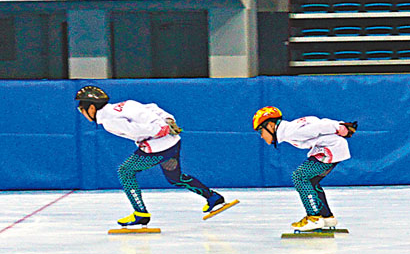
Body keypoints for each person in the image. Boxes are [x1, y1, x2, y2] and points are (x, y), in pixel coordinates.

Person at [75, 86, 235, 227]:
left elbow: (135, 130)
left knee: (125, 172)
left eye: (81, 110)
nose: (82, 114)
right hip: (172, 143)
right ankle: (213, 197)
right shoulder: (125, 104)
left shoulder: (109, 121)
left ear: (91, 108)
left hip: (158, 148)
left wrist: (159, 130)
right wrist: (168, 120)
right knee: (175, 178)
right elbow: (152, 107)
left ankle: (140, 214)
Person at [253, 106, 356, 231]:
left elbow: (318, 127)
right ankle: (326, 217)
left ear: (270, 126)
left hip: (330, 149)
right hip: (331, 149)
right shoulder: (291, 127)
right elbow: (315, 121)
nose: (261, 136)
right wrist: (338, 125)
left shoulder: (292, 132)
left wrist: (339, 127)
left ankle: (314, 218)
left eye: (260, 131)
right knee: (311, 181)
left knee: (300, 177)